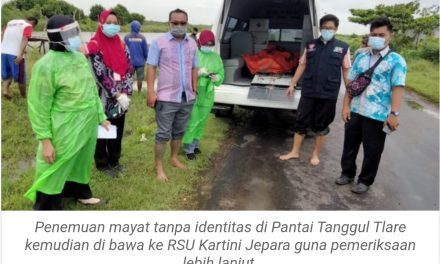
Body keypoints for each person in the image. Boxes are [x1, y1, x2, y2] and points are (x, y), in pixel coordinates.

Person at [25, 15, 110, 210]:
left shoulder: (79, 57)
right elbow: (38, 106)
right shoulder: (45, 65)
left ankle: (79, 193)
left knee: (82, 160)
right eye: (71, 34)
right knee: (55, 163)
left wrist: (100, 116)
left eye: (76, 32)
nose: (76, 37)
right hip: (64, 126)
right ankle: (48, 206)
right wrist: (45, 140)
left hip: (87, 123)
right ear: (57, 37)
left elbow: (90, 89)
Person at [336, 17, 407, 194]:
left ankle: (365, 180)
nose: (377, 37)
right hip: (356, 110)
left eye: (381, 34)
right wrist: (346, 106)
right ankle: (347, 173)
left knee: (373, 150)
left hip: (377, 114)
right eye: (373, 34)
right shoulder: (361, 57)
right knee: (349, 145)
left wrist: (394, 114)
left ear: (390, 35)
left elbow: (397, 88)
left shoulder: (397, 61)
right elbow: (351, 85)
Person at [279, 14, 351, 166]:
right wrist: (292, 84)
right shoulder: (310, 45)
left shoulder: (343, 48)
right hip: (309, 90)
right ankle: (294, 152)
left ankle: (315, 155)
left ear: (336, 29)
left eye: (330, 28)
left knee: (321, 125)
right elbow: (302, 65)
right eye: (324, 27)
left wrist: (349, 94)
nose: (327, 30)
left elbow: (346, 71)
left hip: (328, 93)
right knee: (301, 121)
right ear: (320, 28)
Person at [146, 8, 198, 181]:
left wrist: (195, 87)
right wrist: (151, 92)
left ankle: (174, 158)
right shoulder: (158, 42)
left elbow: (194, 67)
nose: (178, 26)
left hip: (187, 96)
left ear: (187, 24)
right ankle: (159, 167)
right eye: (175, 23)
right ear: (169, 23)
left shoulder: (192, 43)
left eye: (182, 23)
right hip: (167, 98)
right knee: (163, 133)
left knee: (179, 131)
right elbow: (151, 67)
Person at [85, 10, 134, 176]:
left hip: (122, 97)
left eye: (115, 22)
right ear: (101, 23)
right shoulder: (95, 44)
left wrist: (126, 92)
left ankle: (115, 160)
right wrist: (116, 93)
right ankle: (102, 163)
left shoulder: (121, 44)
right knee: (103, 129)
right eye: (109, 22)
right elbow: (99, 73)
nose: (112, 25)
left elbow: (129, 67)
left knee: (117, 128)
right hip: (104, 97)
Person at [182, 30, 224, 160]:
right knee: (192, 120)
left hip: (208, 92)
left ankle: (195, 145)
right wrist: (198, 73)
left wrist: (218, 77)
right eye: (206, 43)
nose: (208, 46)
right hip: (195, 91)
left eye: (211, 44)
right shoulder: (193, 54)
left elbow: (221, 73)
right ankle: (188, 148)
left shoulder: (216, 57)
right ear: (200, 43)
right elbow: (185, 73)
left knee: (202, 120)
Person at [1, 16, 38, 99]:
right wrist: (20, 54)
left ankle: (5, 91)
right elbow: (25, 39)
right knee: (21, 77)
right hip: (14, 54)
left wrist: (3, 46)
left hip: (3, 52)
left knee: (7, 73)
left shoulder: (11, 22)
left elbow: (2, 33)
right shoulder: (28, 26)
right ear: (33, 24)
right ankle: (24, 97)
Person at [124, 20, 148, 93]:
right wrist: (146, 59)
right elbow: (146, 51)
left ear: (131, 27)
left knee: (129, 78)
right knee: (140, 79)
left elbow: (123, 49)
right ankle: (139, 92)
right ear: (139, 28)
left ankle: (129, 91)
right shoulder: (143, 38)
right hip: (140, 62)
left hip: (129, 62)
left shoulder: (126, 37)